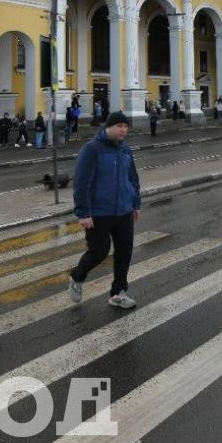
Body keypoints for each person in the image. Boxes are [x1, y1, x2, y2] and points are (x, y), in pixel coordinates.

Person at [68, 111, 141, 309]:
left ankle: (118, 292)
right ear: (108, 127)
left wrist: (135, 204)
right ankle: (77, 276)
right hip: (99, 211)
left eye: (126, 126)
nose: (123, 130)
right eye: (119, 126)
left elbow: (132, 178)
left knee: (124, 251)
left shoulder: (125, 149)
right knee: (99, 251)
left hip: (124, 210)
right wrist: (84, 213)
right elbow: (82, 183)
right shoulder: (91, 149)